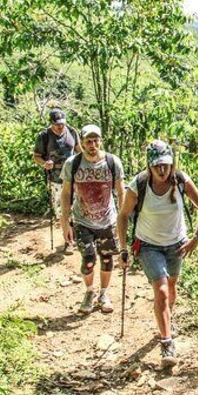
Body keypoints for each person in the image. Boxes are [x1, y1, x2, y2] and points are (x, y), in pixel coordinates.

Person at [118, 140, 198, 368]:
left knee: (171, 287)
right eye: (157, 165)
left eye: (166, 165)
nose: (162, 170)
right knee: (161, 290)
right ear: (149, 166)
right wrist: (122, 247)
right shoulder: (138, 185)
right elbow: (123, 216)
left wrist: (195, 238)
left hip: (176, 244)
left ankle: (166, 320)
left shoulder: (180, 180)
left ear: (172, 164)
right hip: (148, 245)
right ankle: (166, 341)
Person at [60, 125, 125, 315]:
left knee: (106, 258)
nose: (93, 144)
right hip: (83, 220)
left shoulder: (112, 162)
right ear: (81, 142)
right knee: (88, 259)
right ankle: (89, 292)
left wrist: (123, 218)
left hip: (107, 220)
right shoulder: (73, 163)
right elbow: (65, 194)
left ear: (101, 140)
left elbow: (121, 192)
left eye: (96, 140)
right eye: (88, 141)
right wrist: (65, 222)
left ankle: (103, 294)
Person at [34, 107, 82, 255]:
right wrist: (44, 163)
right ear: (51, 123)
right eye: (57, 124)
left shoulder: (72, 131)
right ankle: (68, 241)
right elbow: (36, 155)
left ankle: (77, 237)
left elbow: (79, 150)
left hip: (75, 177)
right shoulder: (44, 136)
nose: (60, 127)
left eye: (62, 124)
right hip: (56, 179)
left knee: (78, 207)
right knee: (63, 211)